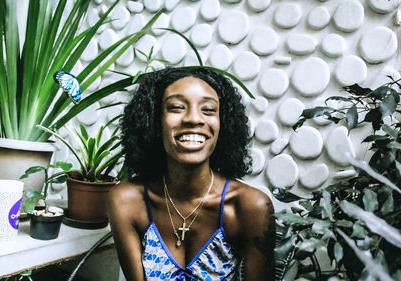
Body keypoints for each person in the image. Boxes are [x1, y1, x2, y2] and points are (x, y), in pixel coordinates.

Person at [108, 67, 275, 281]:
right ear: (154, 121)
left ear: (222, 124)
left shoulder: (250, 206)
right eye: (176, 107)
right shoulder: (127, 200)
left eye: (208, 110)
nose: (194, 119)